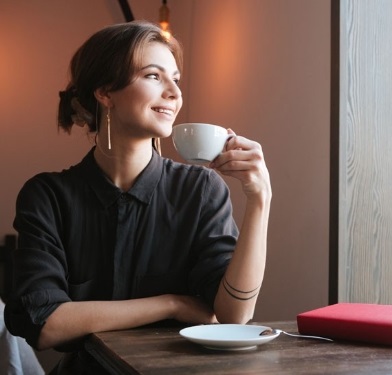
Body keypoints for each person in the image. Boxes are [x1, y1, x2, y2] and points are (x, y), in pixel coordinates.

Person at [4, 20, 271, 373]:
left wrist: (259, 199)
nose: (174, 92)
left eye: (176, 78)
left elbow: (233, 315)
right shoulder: (48, 196)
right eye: (153, 76)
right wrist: (172, 304)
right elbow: (46, 323)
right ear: (105, 92)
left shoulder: (201, 190)